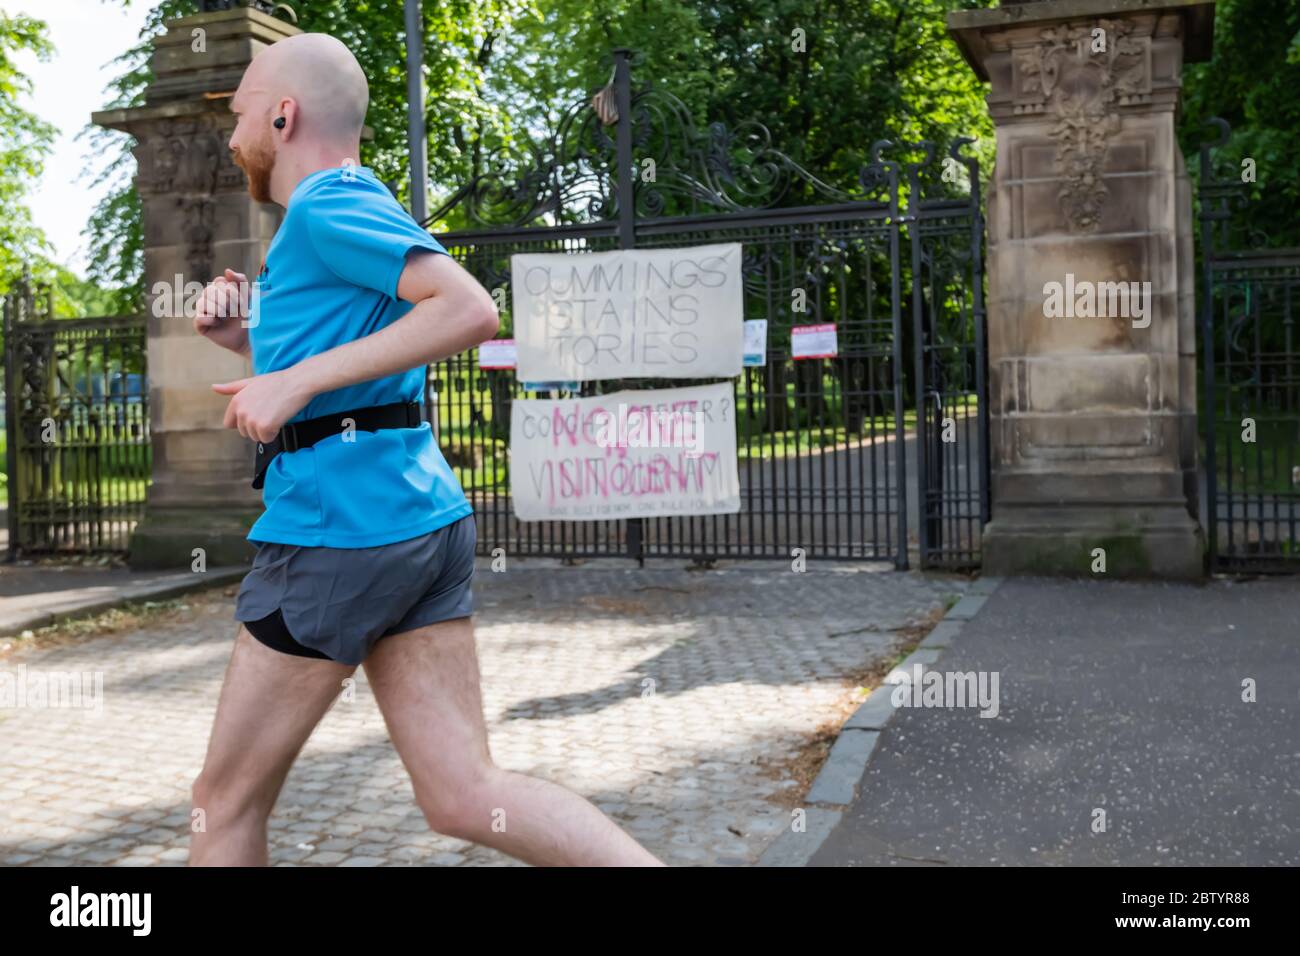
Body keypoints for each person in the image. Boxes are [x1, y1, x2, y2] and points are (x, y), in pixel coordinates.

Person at [189, 32, 664, 867]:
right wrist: (253, 345)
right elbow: (353, 366)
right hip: (416, 525)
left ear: (283, 115)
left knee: (222, 804)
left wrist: (291, 385)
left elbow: (469, 310)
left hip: (335, 534)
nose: (232, 138)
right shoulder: (353, 205)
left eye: (237, 115)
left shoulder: (327, 204)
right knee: (462, 794)